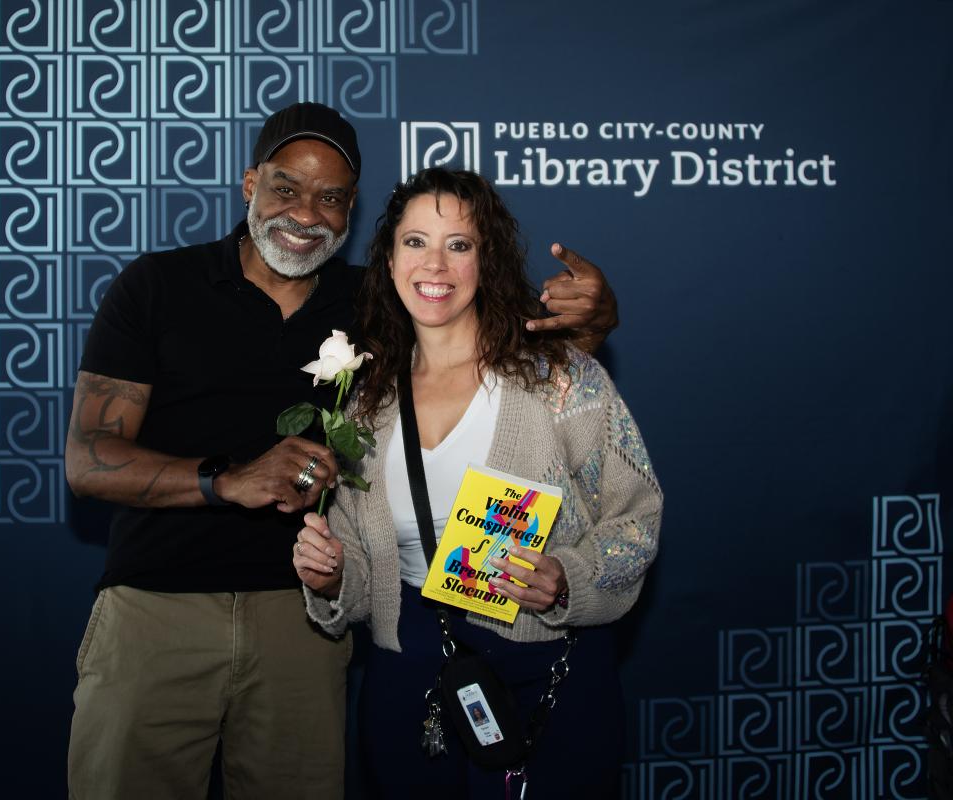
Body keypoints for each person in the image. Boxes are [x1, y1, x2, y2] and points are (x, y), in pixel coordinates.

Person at [65, 103, 620, 800]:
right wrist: (226, 481)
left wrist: (597, 321)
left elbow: (512, 370)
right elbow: (88, 460)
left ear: (352, 209)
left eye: (330, 197)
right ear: (249, 184)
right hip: (157, 608)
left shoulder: (378, 301)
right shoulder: (157, 287)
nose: (305, 213)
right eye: (286, 187)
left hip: (304, 621)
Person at [293, 168, 663, 798]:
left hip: (548, 673)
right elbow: (361, 569)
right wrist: (331, 575)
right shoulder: (363, 406)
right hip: (408, 682)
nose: (434, 264)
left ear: (484, 260)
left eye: (458, 244)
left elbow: (638, 519)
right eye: (415, 242)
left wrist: (567, 575)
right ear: (386, 260)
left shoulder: (559, 379)